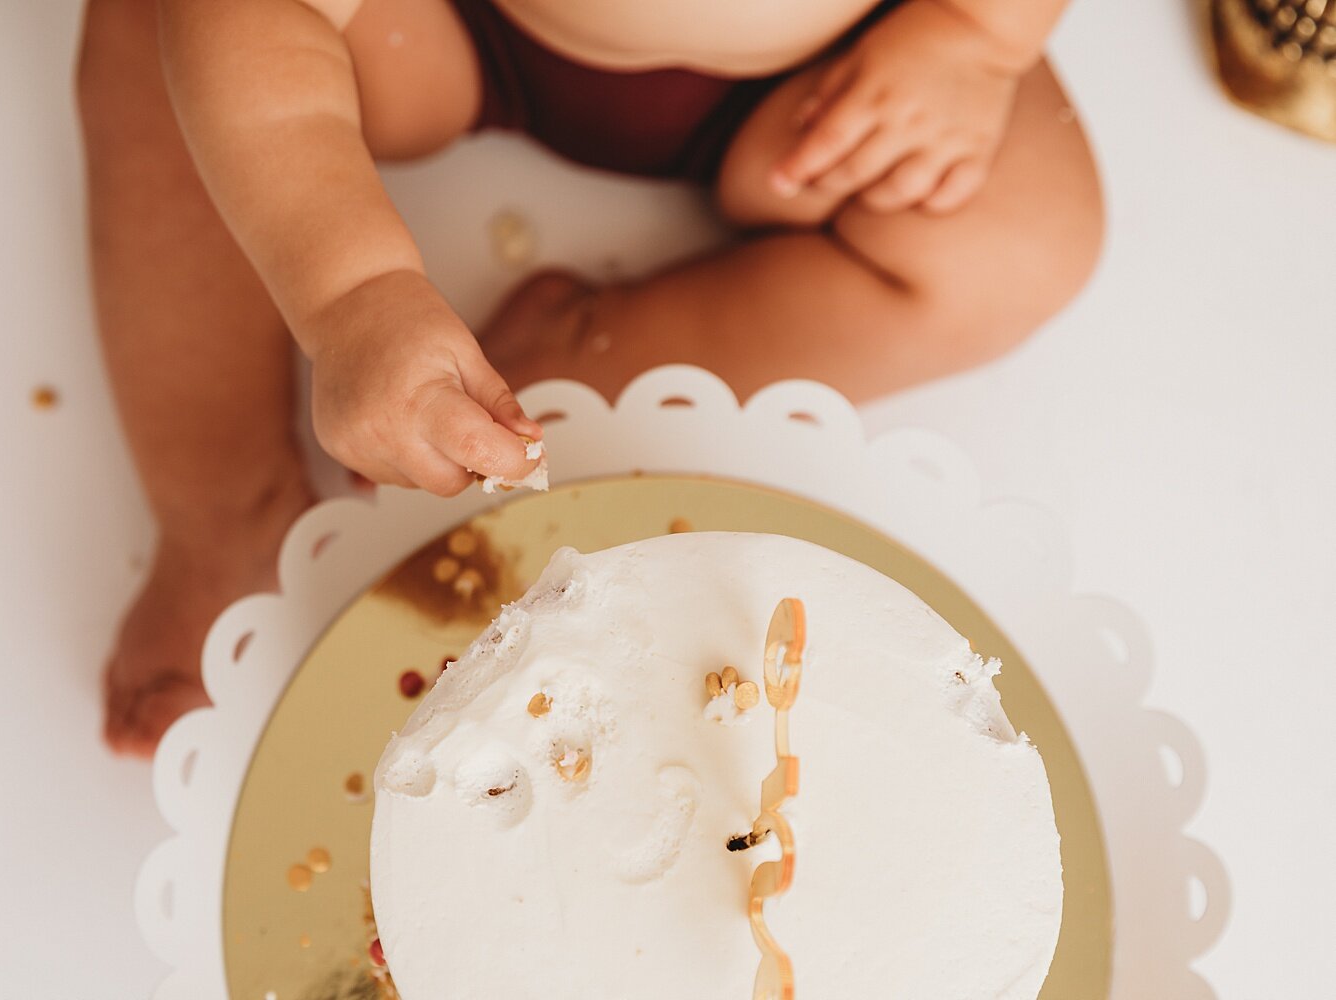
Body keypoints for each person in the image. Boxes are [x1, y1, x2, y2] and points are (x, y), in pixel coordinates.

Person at [76, 0, 1103, 755]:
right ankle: (222, 504)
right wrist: (352, 290)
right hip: (444, 30)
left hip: (833, 67)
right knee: (166, 34)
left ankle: (593, 360)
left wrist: (976, 36)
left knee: (1022, 238)